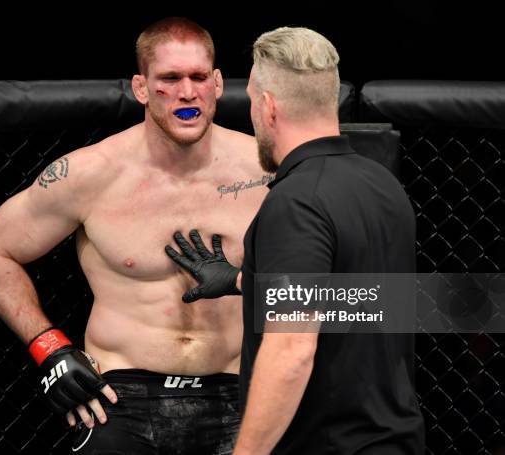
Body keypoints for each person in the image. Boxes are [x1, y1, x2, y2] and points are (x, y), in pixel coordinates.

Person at [0, 17, 271, 455]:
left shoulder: (266, 171)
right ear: (141, 88)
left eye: (199, 77)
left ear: (218, 83)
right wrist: (50, 349)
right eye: (170, 78)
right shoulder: (92, 174)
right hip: (121, 398)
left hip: (240, 386)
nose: (187, 93)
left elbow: (354, 292)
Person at [166, 27, 425, 454]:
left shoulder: (296, 200)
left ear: (268, 107)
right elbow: (364, 298)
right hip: (393, 439)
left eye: (251, 100)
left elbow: (292, 347)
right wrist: (243, 281)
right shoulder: (382, 184)